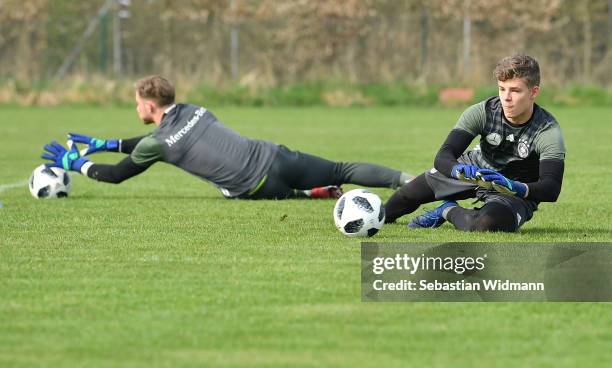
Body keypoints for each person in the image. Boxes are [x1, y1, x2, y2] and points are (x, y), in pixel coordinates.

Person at [41, 75, 411, 199]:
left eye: (138, 104)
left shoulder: (161, 141)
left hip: (257, 186)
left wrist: (79, 163)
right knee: (342, 168)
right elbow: (166, 139)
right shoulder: (196, 110)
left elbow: (118, 174)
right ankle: (406, 180)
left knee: (229, 190)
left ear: (150, 107)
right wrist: (109, 143)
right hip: (277, 156)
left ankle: (307, 194)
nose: (136, 109)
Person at [384, 55, 565, 232]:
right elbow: (444, 155)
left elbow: (551, 188)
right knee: (403, 199)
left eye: (515, 91)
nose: (506, 98)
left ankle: (446, 210)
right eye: (502, 89)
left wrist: (513, 186)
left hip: (514, 189)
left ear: (534, 92)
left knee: (485, 225)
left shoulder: (547, 131)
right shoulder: (482, 112)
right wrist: (457, 170)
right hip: (475, 170)